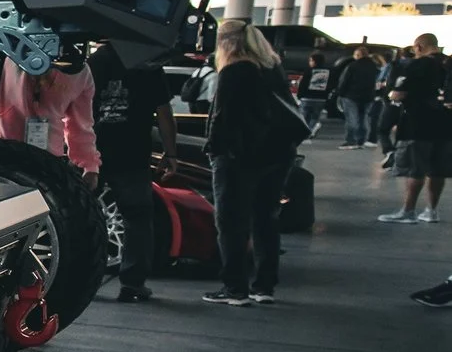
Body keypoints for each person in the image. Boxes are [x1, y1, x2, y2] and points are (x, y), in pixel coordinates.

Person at [202, 21, 304, 304]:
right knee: (266, 220)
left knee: (231, 223)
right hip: (278, 155)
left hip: (239, 158)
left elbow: (223, 119)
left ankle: (235, 288)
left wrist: (214, 150)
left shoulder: (234, 70)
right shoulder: (271, 69)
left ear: (226, 43)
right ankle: (264, 287)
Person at [88, 43, 181, 301]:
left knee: (83, 216)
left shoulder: (96, 61)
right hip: (132, 153)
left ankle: (81, 278)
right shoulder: (148, 63)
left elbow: (74, 104)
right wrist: (170, 153)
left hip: (92, 151)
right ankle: (132, 283)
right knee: (138, 219)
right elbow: (164, 113)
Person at [0, 45, 99, 185]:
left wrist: (89, 165)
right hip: (7, 155)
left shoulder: (80, 72)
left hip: (48, 161)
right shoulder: (10, 59)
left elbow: (80, 125)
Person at [378, 33, 449, 223]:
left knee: (416, 168)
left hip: (419, 122)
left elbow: (398, 94)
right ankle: (431, 211)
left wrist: (392, 94)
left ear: (418, 47)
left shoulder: (418, 65)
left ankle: (408, 211)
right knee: (437, 169)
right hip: (446, 124)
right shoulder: (449, 64)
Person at [335, 44, 383, 149]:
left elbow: (344, 81)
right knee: (364, 119)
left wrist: (340, 93)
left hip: (351, 95)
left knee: (352, 119)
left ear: (358, 55)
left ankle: (350, 140)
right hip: (368, 97)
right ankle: (361, 141)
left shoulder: (352, 66)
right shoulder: (374, 67)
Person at [298, 50, 331, 132]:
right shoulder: (328, 71)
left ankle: (304, 131)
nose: (310, 62)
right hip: (321, 98)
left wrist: (300, 95)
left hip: (307, 97)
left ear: (314, 61)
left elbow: (303, 84)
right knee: (315, 117)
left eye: (311, 60)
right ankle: (311, 130)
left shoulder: (308, 71)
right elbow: (331, 84)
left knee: (303, 116)